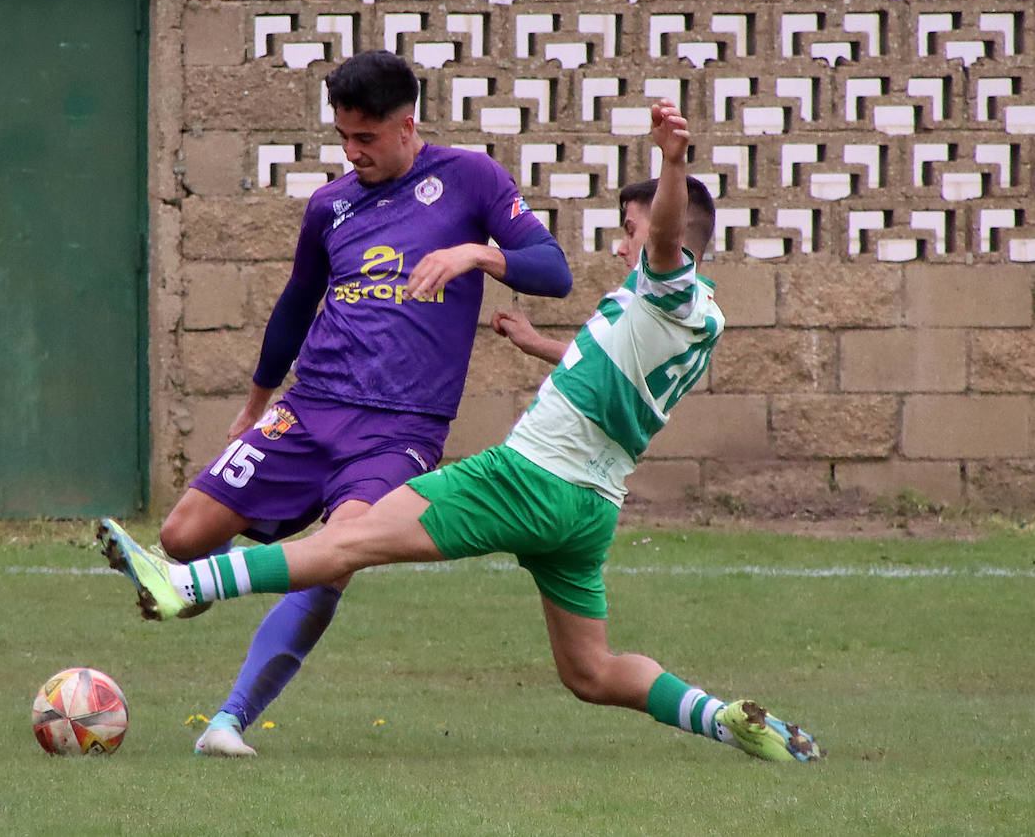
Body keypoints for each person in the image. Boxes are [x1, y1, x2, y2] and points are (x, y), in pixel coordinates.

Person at [99, 99, 825, 763]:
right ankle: (724, 718)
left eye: (627, 233)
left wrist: (671, 164)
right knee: (591, 672)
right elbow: (612, 369)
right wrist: (541, 345)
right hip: (589, 511)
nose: (623, 246)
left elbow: (667, 235)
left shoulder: (666, 278)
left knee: (345, 542)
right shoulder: (699, 319)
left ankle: (183, 582)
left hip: (527, 480)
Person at [157, 50, 573, 756]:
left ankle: (227, 722)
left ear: (407, 125)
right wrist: (255, 404)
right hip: (309, 405)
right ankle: (201, 577)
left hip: (399, 431)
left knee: (337, 554)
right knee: (178, 538)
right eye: (343, 137)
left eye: (366, 139)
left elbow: (554, 272)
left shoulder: (471, 179)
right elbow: (294, 308)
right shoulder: (330, 205)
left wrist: (479, 256)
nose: (352, 153)